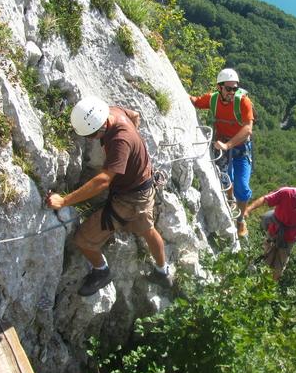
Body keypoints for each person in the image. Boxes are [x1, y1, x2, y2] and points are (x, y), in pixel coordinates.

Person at [46, 95, 172, 296]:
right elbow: (135, 115)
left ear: (101, 126)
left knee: (83, 240)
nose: (90, 139)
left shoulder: (120, 141)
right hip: (143, 185)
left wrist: (63, 201)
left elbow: (103, 181)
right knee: (147, 230)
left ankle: (101, 272)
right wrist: (131, 151)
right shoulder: (112, 112)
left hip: (130, 199)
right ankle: (163, 271)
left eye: (91, 135)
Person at [190, 68, 254, 237]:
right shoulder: (212, 99)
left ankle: (240, 220)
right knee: (224, 179)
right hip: (222, 143)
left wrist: (228, 145)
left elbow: (248, 129)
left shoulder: (243, 102)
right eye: (228, 88)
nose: (232, 92)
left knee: (242, 187)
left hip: (240, 147)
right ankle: (231, 199)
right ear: (219, 87)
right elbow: (194, 101)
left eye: (235, 88)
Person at [243, 175, 296, 281]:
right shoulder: (286, 192)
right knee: (266, 261)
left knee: (279, 268)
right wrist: (248, 209)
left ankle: (270, 287)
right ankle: (256, 283)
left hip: (290, 238)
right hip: (274, 231)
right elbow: (265, 199)